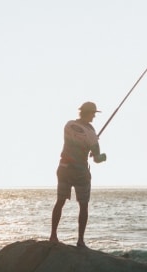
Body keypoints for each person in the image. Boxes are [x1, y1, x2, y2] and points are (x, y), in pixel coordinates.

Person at [50, 101, 106, 248]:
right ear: (89, 113)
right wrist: (103, 156)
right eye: (93, 113)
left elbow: (77, 137)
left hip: (64, 168)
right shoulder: (91, 134)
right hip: (80, 172)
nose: (94, 116)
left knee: (60, 201)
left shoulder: (68, 125)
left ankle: (53, 235)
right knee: (83, 206)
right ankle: (80, 240)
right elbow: (97, 159)